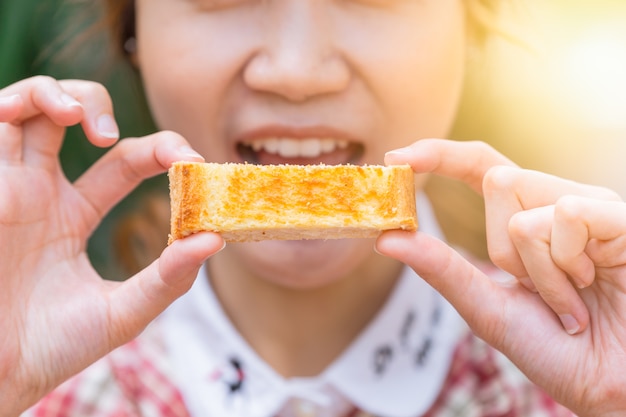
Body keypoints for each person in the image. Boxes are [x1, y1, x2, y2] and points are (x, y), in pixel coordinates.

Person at [1, 1, 626, 416]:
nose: (296, 72)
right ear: (133, 28)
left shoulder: (580, 380)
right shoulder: (46, 388)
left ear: (468, 24)